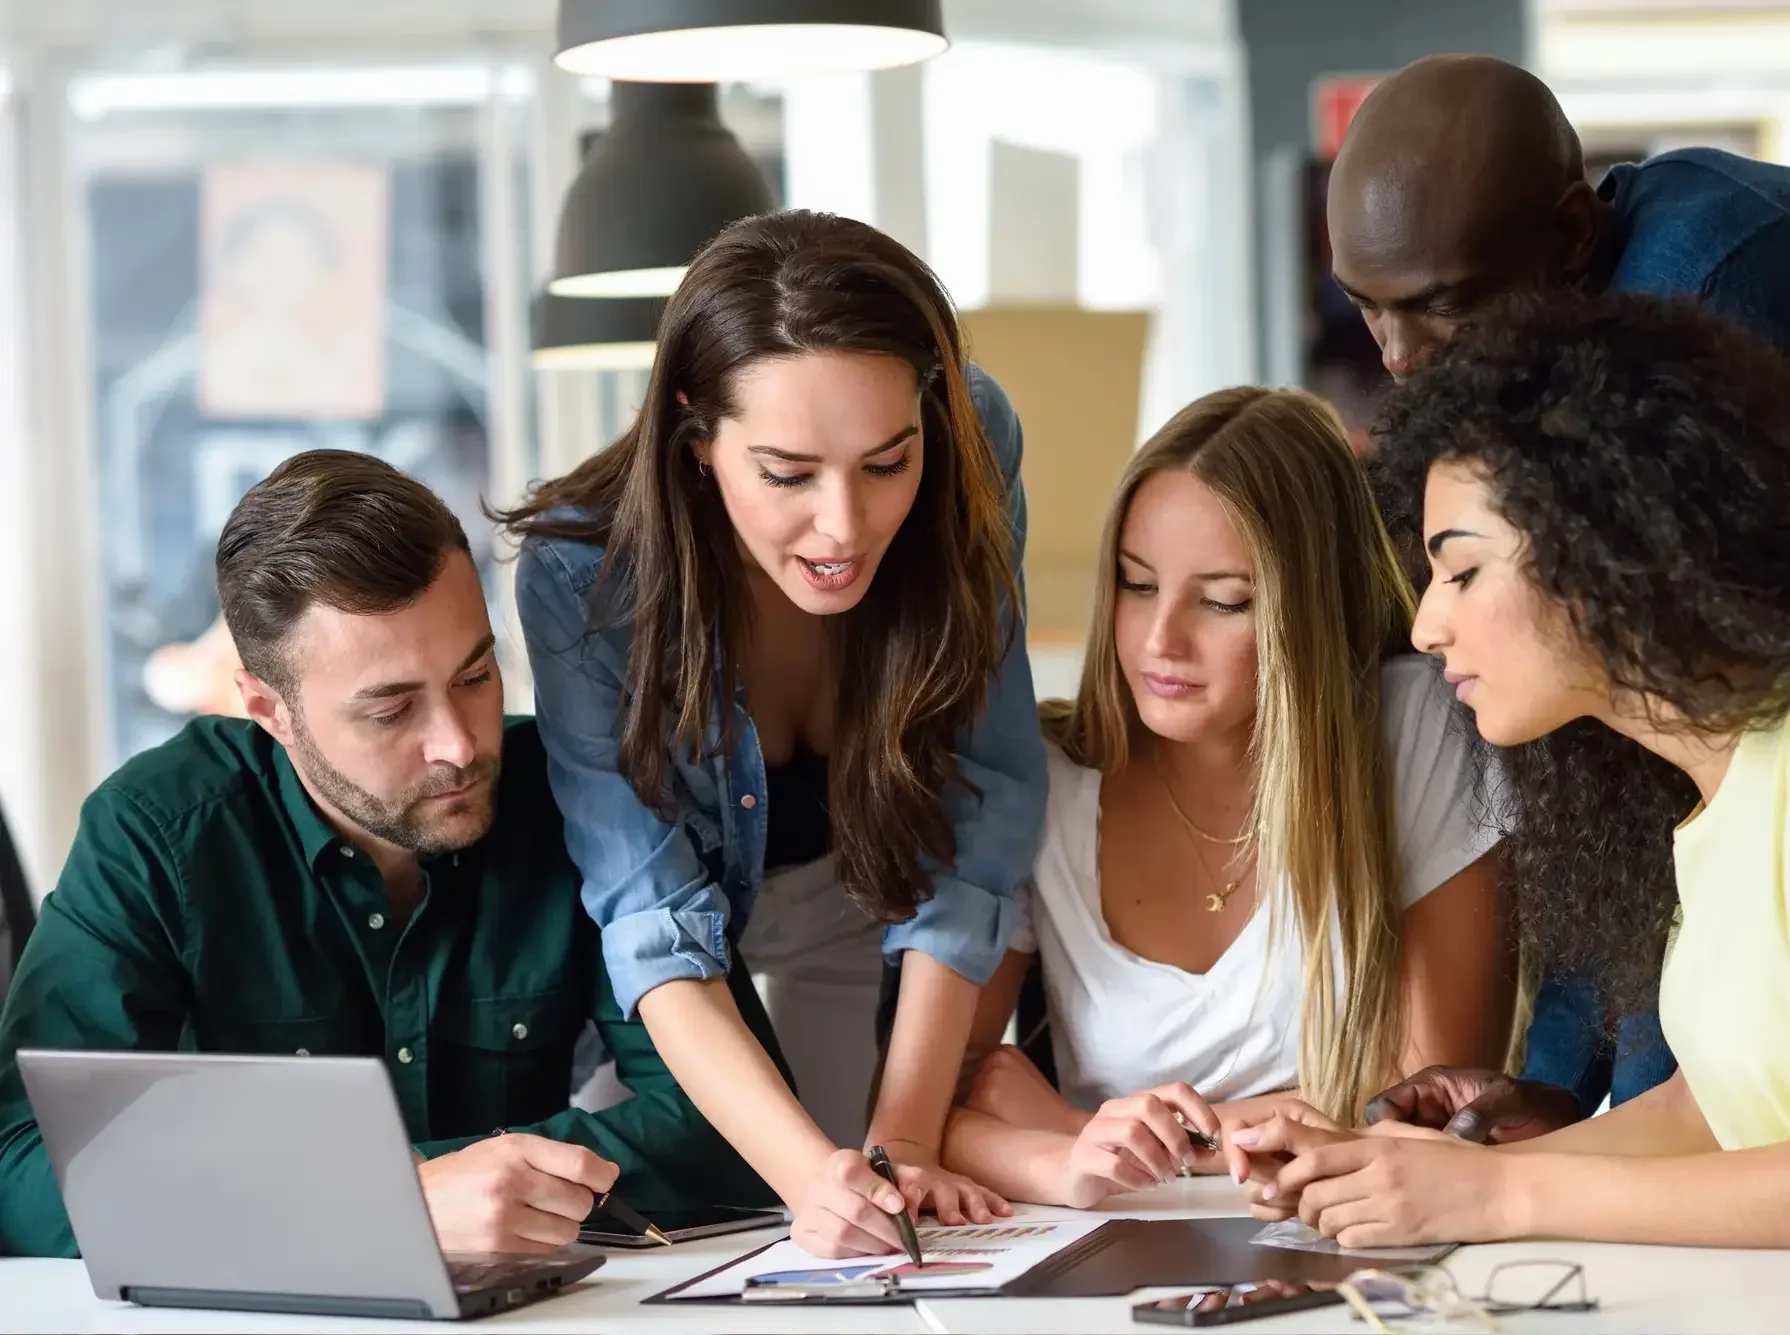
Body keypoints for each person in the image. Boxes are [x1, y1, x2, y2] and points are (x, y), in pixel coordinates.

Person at [1230, 293, 1790, 1271]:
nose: (1424, 628)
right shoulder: (1710, 796)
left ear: (1606, 548)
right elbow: (1716, 1113)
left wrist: (1495, 1189)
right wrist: (1394, 1166)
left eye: (1459, 573)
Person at [1325, 52, 1790, 1137]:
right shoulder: (1550, 355)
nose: (1401, 359)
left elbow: (1684, 757)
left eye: (1441, 306)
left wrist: (1607, 1122)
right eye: (1366, 311)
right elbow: (1603, 765)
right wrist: (1556, 1085)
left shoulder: (1717, 281)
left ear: (1571, 238)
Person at [0, 451, 765, 1259]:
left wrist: (448, 1190)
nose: (460, 744)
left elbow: (736, 1126)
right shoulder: (156, 832)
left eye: (475, 675)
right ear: (268, 708)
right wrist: (381, 1201)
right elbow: (21, 1167)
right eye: (391, 709)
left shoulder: (572, 799)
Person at [501, 210, 1045, 1260]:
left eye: (888, 463)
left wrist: (901, 1141)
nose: (843, 526)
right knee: (720, 1228)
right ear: (694, 437)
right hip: (685, 966)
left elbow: (980, 802)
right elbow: (652, 922)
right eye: (787, 475)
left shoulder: (975, 443)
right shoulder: (582, 575)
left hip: (876, 897)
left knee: (889, 1221)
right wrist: (813, 1182)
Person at [937, 387, 1513, 1209]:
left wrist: (1078, 1127)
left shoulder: (1416, 727)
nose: (1160, 640)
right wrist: (1065, 1158)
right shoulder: (1047, 779)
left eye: (1223, 601)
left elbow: (1427, 1108)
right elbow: (937, 1114)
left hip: (1353, 1236)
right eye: (1137, 585)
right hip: (1111, 1253)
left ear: (1309, 609)